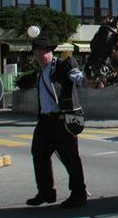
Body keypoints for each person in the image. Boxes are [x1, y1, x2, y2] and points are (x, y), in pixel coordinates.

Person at [26, 36, 90, 209]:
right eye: (37, 52)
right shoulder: (40, 71)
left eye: (44, 51)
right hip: (45, 120)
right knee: (38, 153)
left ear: (51, 51)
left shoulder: (63, 65)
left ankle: (78, 194)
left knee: (70, 158)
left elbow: (77, 76)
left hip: (62, 120)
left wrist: (86, 81)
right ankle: (46, 192)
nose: (41, 55)